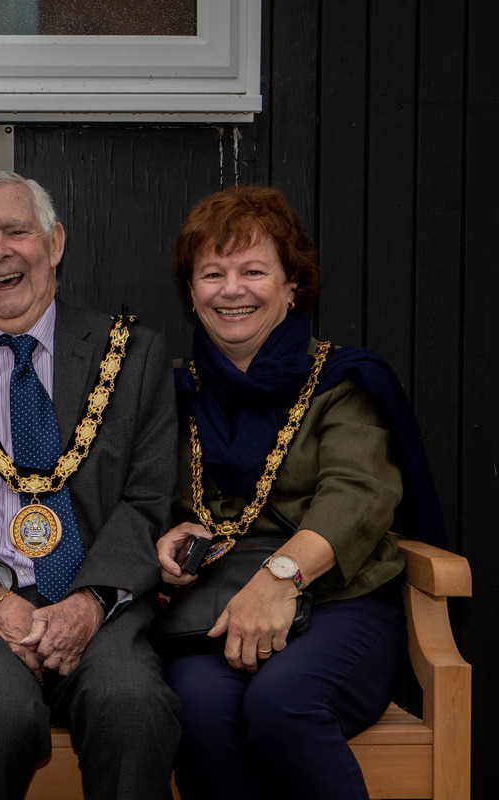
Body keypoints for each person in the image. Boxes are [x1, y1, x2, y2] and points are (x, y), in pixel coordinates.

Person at [157, 184, 448, 800]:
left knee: (283, 703)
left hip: (340, 605)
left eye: (254, 270)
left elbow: (358, 494)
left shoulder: (344, 382)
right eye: (212, 273)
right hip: (213, 613)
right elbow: (140, 500)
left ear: (293, 285)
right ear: (192, 293)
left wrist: (279, 579)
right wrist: (162, 540)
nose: (231, 289)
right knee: (197, 712)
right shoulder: (169, 396)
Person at [0, 169, 181, 800]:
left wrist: (86, 606)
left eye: (17, 231)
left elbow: (149, 502)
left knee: (135, 707)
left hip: (98, 603)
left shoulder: (132, 353)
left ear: (54, 243)